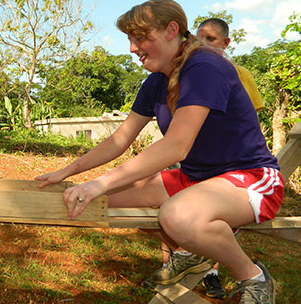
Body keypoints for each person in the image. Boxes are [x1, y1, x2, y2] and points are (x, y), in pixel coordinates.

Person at [36, 1, 282, 303]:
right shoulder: (155, 83)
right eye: (129, 39)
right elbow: (119, 140)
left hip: (250, 179)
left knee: (176, 215)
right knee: (96, 201)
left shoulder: (204, 67)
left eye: (140, 37)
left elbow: (177, 145)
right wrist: (68, 173)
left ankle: (253, 277)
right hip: (196, 180)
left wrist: (100, 181)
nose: (131, 47)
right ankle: (189, 251)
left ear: (171, 30)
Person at [155, 17, 267, 300]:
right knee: (168, 208)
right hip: (192, 163)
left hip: (231, 170)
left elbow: (245, 121)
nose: (202, 44)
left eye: (212, 39)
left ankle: (219, 272)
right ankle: (184, 255)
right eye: (199, 37)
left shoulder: (236, 74)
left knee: (188, 214)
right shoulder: (184, 74)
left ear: (227, 43)